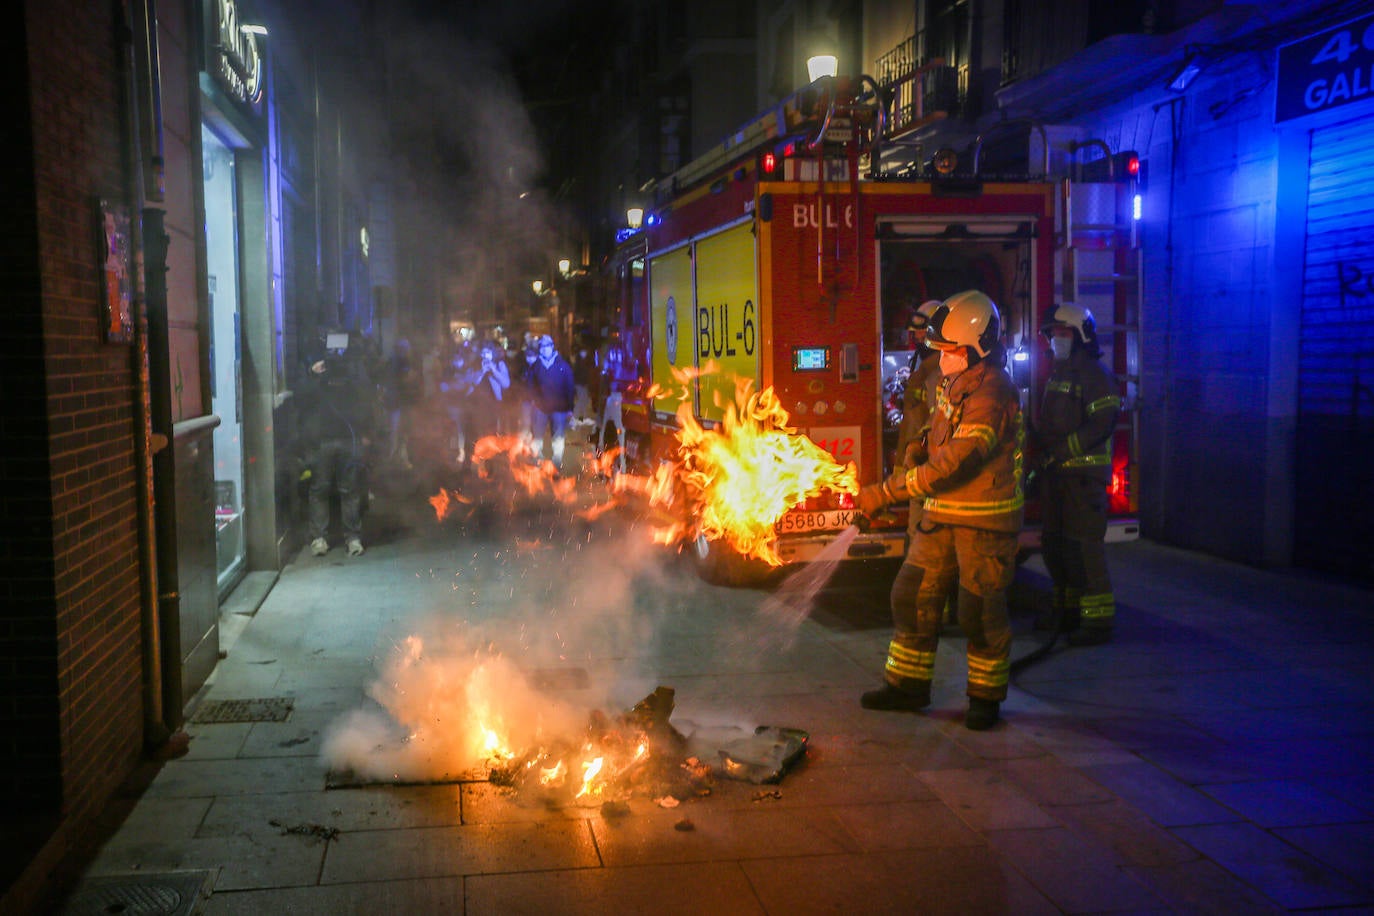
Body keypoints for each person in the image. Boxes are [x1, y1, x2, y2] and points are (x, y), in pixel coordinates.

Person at [854, 290, 1024, 731]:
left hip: (983, 521)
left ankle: (985, 699)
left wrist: (887, 491)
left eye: (948, 350)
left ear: (973, 349)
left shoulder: (994, 393)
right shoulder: (957, 381)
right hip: (941, 514)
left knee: (978, 611)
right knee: (911, 596)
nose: (940, 357)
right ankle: (908, 686)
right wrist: (918, 444)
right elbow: (940, 429)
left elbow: (957, 460)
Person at [1033, 303, 1122, 646]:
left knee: (1085, 550)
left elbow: (1102, 423)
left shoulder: (1095, 375)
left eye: (1063, 333)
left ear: (1082, 335)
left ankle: (1097, 622)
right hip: (1057, 478)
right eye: (1053, 333)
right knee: (1056, 547)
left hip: (1083, 480)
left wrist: (1061, 451)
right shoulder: (1059, 373)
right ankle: (1067, 613)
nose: (1056, 339)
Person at [301, 343, 378, 557]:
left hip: (347, 440)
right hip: (323, 441)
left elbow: (366, 399)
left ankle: (352, 537)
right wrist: (313, 374)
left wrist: (366, 433)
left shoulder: (354, 379)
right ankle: (320, 538)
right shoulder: (317, 381)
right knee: (320, 489)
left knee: (349, 489)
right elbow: (303, 398)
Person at [894, 300, 944, 538]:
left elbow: (938, 419)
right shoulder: (923, 365)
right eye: (915, 332)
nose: (917, 337)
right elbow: (911, 420)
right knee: (915, 532)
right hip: (916, 464)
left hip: (927, 466)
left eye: (922, 331)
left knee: (920, 535)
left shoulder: (942, 368)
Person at [527, 334, 576, 472]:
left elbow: (570, 386)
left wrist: (570, 408)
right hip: (540, 407)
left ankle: (557, 462)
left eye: (546, 346)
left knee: (558, 436)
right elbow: (530, 384)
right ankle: (537, 459)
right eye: (541, 347)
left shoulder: (563, 365)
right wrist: (533, 400)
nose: (544, 349)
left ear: (552, 347)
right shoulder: (536, 366)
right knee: (537, 435)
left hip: (559, 409)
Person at [596, 327, 639, 475]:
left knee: (609, 430)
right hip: (617, 396)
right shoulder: (623, 351)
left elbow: (604, 373)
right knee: (614, 431)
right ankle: (610, 464)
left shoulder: (609, 351)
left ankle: (609, 464)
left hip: (616, 396)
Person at [463, 339, 511, 446]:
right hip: (477, 405)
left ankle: (492, 458)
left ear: (492, 353)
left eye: (488, 353)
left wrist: (494, 370)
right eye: (483, 353)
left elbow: (506, 384)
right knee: (478, 434)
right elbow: (469, 382)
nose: (485, 355)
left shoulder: (499, 364)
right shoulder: (475, 364)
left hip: (494, 404)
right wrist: (482, 371)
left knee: (492, 433)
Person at [383, 338, 422, 468]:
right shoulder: (400, 362)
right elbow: (407, 379)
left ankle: (399, 457)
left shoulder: (391, 361)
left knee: (401, 432)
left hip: (398, 402)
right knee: (398, 432)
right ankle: (394, 459)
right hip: (399, 403)